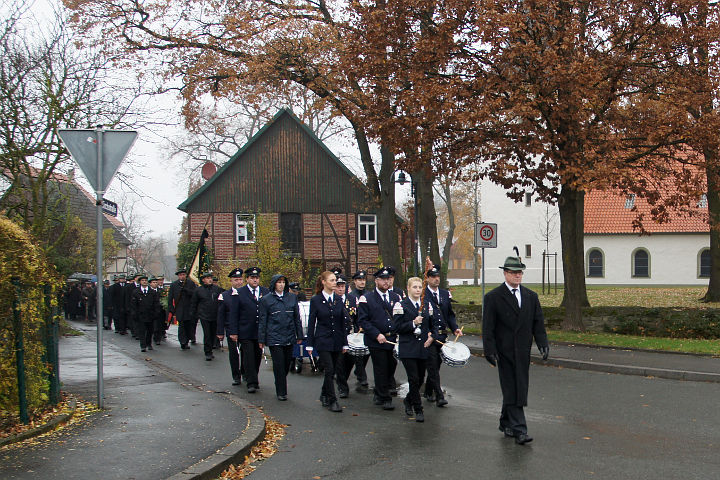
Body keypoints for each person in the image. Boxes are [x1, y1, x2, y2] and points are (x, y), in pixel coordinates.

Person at [483, 256, 550, 445]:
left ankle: (506, 423)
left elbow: (538, 322)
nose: (517, 275)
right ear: (505, 273)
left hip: (522, 350)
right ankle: (520, 428)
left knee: (518, 385)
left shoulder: (530, 296)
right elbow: (488, 327)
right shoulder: (493, 297)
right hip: (504, 351)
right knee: (513, 387)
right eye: (513, 272)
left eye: (520, 272)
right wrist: (489, 349)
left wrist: (543, 343)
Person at [358, 266, 402, 410]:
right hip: (376, 340)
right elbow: (363, 321)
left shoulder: (396, 297)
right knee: (381, 367)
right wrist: (376, 334)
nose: (386, 282)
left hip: (391, 339)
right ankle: (385, 397)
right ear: (376, 281)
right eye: (383, 279)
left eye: (388, 279)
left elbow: (399, 317)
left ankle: (378, 391)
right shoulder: (367, 298)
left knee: (391, 364)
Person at [306, 271, 349, 413]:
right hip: (323, 340)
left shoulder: (338, 299)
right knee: (329, 369)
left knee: (333, 370)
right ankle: (332, 399)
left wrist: (344, 342)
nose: (335, 282)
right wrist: (310, 344)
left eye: (335, 280)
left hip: (337, 340)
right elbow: (312, 322)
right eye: (331, 280)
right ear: (324, 282)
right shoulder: (316, 300)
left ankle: (324, 393)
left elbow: (342, 323)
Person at [393, 277, 434, 422]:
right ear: (408, 288)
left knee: (420, 378)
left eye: (419, 287)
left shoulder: (427, 304)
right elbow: (396, 327)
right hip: (408, 347)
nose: (417, 290)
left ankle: (408, 399)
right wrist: (412, 323)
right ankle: (418, 409)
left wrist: (431, 335)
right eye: (415, 287)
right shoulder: (401, 305)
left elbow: (432, 324)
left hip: (422, 347)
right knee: (413, 378)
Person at [258, 274, 303, 400]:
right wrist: (261, 339)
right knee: (278, 364)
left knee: (286, 364)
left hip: (289, 335)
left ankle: (281, 380)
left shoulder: (292, 298)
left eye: (283, 282)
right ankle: (281, 391)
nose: (281, 285)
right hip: (274, 336)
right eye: (279, 282)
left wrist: (299, 335)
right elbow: (263, 321)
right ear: (274, 284)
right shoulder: (266, 300)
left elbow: (296, 318)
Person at [423, 263, 462, 407]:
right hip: (429, 336)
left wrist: (455, 328)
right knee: (432, 366)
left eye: (438, 276)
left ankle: (428, 390)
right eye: (433, 277)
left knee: (437, 365)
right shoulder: (423, 294)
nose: (436, 279)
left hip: (442, 337)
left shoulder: (445, 294)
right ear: (427, 279)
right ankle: (439, 395)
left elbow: (449, 315)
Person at [227, 266, 268, 393]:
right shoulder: (240, 293)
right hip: (245, 331)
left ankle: (253, 376)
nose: (255, 280)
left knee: (257, 356)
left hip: (259, 331)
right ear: (247, 279)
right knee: (248, 356)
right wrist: (233, 332)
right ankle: (251, 382)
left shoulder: (265, 292)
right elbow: (234, 314)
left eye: (257, 278)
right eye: (252, 278)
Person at [217, 268, 245, 386]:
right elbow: (221, 315)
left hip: (244, 328)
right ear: (231, 281)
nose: (238, 282)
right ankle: (236, 376)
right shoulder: (224, 295)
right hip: (231, 329)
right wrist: (220, 332)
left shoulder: (246, 294)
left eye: (240, 279)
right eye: (236, 280)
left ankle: (245, 373)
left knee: (246, 353)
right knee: (234, 354)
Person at [189, 272, 221, 361]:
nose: (210, 279)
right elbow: (194, 303)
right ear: (203, 280)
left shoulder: (217, 289)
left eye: (211, 278)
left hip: (214, 315)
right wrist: (193, 313)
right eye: (207, 278)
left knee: (213, 333)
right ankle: (207, 352)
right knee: (207, 334)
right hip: (204, 315)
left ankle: (211, 348)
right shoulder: (199, 290)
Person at [333, 275, 354, 398]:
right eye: (338, 286)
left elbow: (356, 314)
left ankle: (343, 379)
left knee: (351, 360)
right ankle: (342, 387)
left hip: (351, 335)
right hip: (339, 335)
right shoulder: (333, 300)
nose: (341, 289)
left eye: (343, 286)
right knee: (339, 363)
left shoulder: (352, 299)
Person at [349, 270, 370, 391]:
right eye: (359, 280)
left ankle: (359, 370)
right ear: (355, 281)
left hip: (366, 328)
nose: (362, 282)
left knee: (366, 353)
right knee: (358, 354)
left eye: (363, 280)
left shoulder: (368, 295)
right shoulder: (351, 296)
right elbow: (350, 313)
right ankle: (362, 377)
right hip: (356, 328)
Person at [130, 274, 160, 352]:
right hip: (141, 315)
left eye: (145, 280)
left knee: (150, 330)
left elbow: (156, 303)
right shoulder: (136, 292)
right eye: (143, 281)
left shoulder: (152, 292)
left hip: (150, 315)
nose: (144, 282)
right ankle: (143, 345)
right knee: (142, 331)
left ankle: (149, 344)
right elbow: (133, 304)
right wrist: (134, 314)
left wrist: (156, 313)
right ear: (140, 282)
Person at [168, 268, 197, 350]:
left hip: (189, 308)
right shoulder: (174, 285)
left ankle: (187, 340)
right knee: (181, 325)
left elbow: (194, 294)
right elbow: (171, 297)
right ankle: (182, 341)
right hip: (179, 308)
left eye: (183, 275)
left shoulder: (190, 283)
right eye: (180, 275)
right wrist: (171, 307)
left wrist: (186, 290)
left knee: (188, 325)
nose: (182, 276)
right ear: (178, 276)